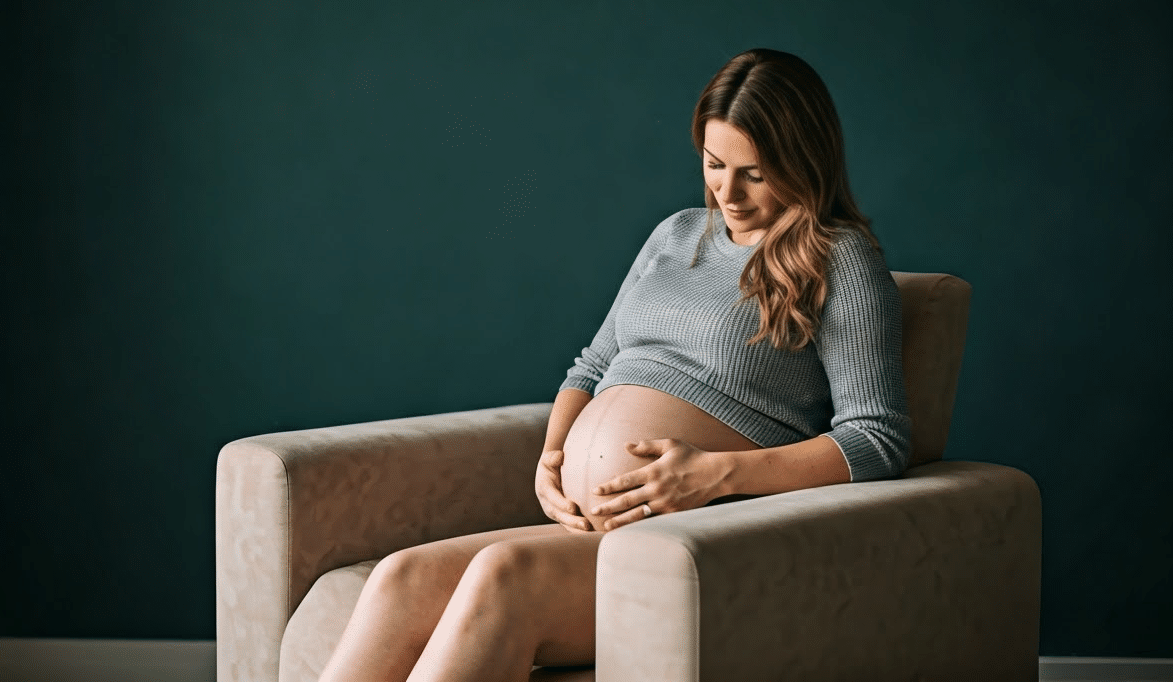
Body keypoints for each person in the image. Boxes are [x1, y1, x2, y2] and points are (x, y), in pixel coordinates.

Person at [316, 48, 912, 682]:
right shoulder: (677, 235)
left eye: (756, 174)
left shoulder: (839, 258)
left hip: (695, 542)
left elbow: (878, 438)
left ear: (804, 161)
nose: (728, 193)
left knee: (503, 574)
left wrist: (717, 475)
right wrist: (551, 462)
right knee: (401, 576)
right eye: (714, 165)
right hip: (597, 531)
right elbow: (594, 363)